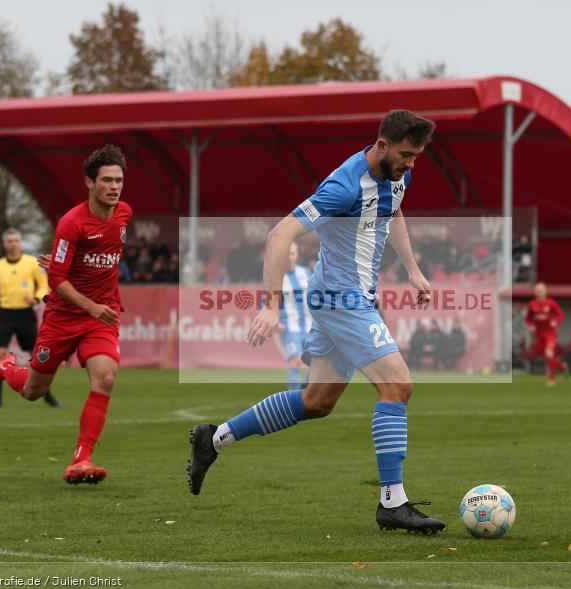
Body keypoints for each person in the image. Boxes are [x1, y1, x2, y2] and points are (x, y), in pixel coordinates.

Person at [187, 109, 446, 534]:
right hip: (342, 301)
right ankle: (392, 502)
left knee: (316, 402)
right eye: (405, 154)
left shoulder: (397, 174)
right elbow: (279, 235)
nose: (411, 163)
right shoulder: (343, 185)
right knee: (397, 385)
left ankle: (213, 439)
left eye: (417, 156)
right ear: (381, 145)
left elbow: (393, 212)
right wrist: (270, 307)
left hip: (350, 298)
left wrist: (413, 269)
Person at [0, 145, 133, 485]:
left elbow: (98, 258)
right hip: (64, 317)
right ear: (89, 183)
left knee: (105, 378)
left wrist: (94, 301)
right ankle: (6, 366)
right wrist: (87, 300)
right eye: (106, 180)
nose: (114, 187)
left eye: (119, 180)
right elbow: (56, 279)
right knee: (34, 391)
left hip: (100, 317)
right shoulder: (71, 223)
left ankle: (82, 459)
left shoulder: (124, 214)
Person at [0, 228, 61, 408]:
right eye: (9, 241)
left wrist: (37, 298)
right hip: (6, 315)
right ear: (4, 244)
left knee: (38, 358)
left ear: (20, 243)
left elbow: (45, 285)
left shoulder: (31, 263)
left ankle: (47, 395)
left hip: (26, 314)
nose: (13, 244)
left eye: (16, 240)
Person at [276, 242, 312, 390]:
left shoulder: (306, 273)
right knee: (295, 361)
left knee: (315, 363)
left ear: (297, 255)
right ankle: (292, 397)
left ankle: (306, 393)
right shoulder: (276, 277)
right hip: (289, 327)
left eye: (292, 253)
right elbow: (267, 301)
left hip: (310, 326)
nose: (289, 257)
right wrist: (276, 322)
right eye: (287, 253)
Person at [524, 281, 567, 386]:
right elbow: (528, 318)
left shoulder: (551, 303)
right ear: (535, 292)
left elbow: (561, 315)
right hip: (539, 334)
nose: (539, 293)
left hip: (550, 333)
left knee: (549, 353)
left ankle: (552, 379)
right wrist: (530, 326)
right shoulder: (532, 305)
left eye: (541, 291)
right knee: (548, 357)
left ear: (545, 292)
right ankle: (562, 366)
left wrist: (555, 322)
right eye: (537, 291)